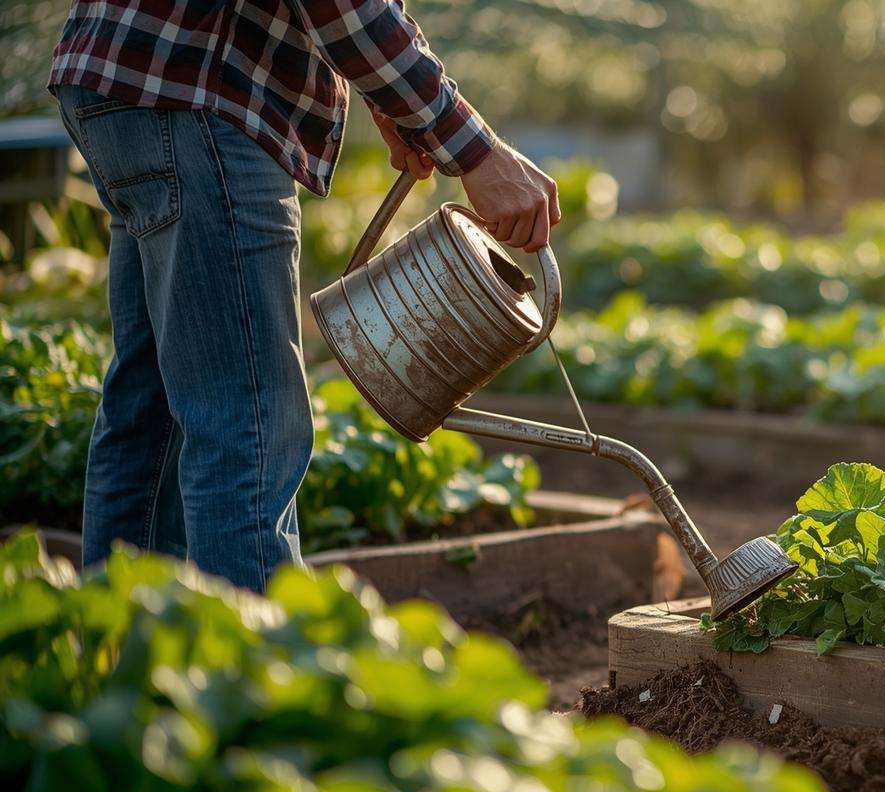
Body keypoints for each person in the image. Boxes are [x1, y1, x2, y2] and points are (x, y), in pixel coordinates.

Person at [48, 0, 560, 592]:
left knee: (151, 409)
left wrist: (393, 106)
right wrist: (475, 150)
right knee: (249, 424)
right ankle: (261, 673)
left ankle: (120, 661)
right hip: (201, 93)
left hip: (127, 76)